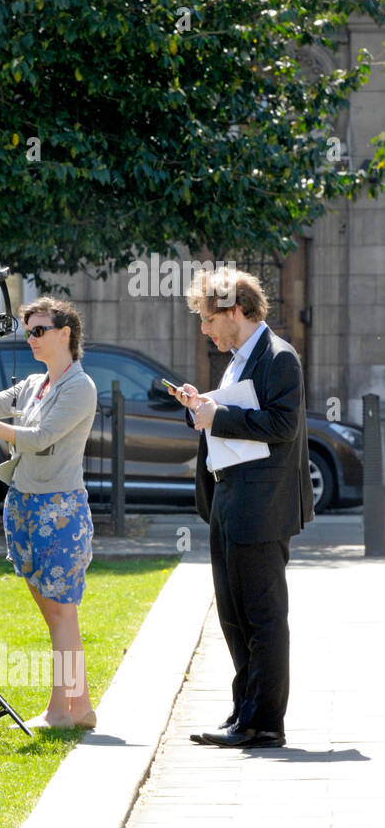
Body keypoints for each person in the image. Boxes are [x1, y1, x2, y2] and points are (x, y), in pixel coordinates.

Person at [173, 269, 312, 749]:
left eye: (209, 319)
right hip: (230, 498)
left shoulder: (278, 357)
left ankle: (265, 722)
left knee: (262, 615)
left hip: (262, 505)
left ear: (236, 311)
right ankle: (243, 714)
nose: (205, 330)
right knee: (234, 615)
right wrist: (201, 406)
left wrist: (220, 415)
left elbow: (283, 424)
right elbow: (236, 415)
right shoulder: (237, 360)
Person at [0, 297, 98, 729]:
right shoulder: (35, 383)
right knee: (53, 612)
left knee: (60, 611)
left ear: (65, 333)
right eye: (28, 331)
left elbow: (41, 436)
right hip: (24, 503)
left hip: (60, 509)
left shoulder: (80, 387)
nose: (31, 338)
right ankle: (80, 706)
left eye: (39, 330)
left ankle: (60, 711)